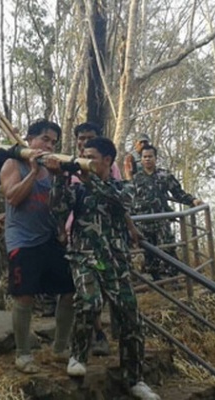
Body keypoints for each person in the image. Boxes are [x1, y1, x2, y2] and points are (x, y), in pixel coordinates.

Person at [51, 136, 160, 400]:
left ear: (107, 161)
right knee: (89, 302)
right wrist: (59, 178)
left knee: (130, 317)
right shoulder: (78, 190)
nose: (86, 162)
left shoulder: (124, 187)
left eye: (92, 158)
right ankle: (77, 355)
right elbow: (57, 208)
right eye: (83, 156)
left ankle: (134, 379)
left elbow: (121, 202)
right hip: (84, 257)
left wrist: (89, 179)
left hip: (116, 262)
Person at [0, 119, 75, 374]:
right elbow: (13, 197)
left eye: (53, 142)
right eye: (45, 139)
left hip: (49, 238)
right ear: (30, 139)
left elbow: (60, 205)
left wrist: (58, 178)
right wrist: (32, 171)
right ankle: (23, 354)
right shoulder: (13, 164)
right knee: (25, 295)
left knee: (70, 290)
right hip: (22, 239)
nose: (49, 145)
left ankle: (60, 347)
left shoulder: (53, 170)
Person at [68, 121, 120, 356]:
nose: (84, 142)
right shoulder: (69, 166)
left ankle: (97, 333)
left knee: (98, 293)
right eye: (81, 138)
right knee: (82, 293)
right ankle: (78, 345)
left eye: (89, 138)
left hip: (104, 240)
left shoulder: (111, 169)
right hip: (75, 238)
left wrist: (130, 228)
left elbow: (118, 200)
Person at [132, 145, 203, 281]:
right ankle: (156, 282)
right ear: (141, 159)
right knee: (148, 253)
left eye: (150, 156)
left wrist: (192, 200)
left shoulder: (164, 175)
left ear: (155, 158)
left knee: (168, 249)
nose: (147, 159)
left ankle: (173, 279)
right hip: (143, 222)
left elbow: (178, 193)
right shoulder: (136, 179)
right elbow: (130, 198)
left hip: (162, 220)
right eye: (144, 157)